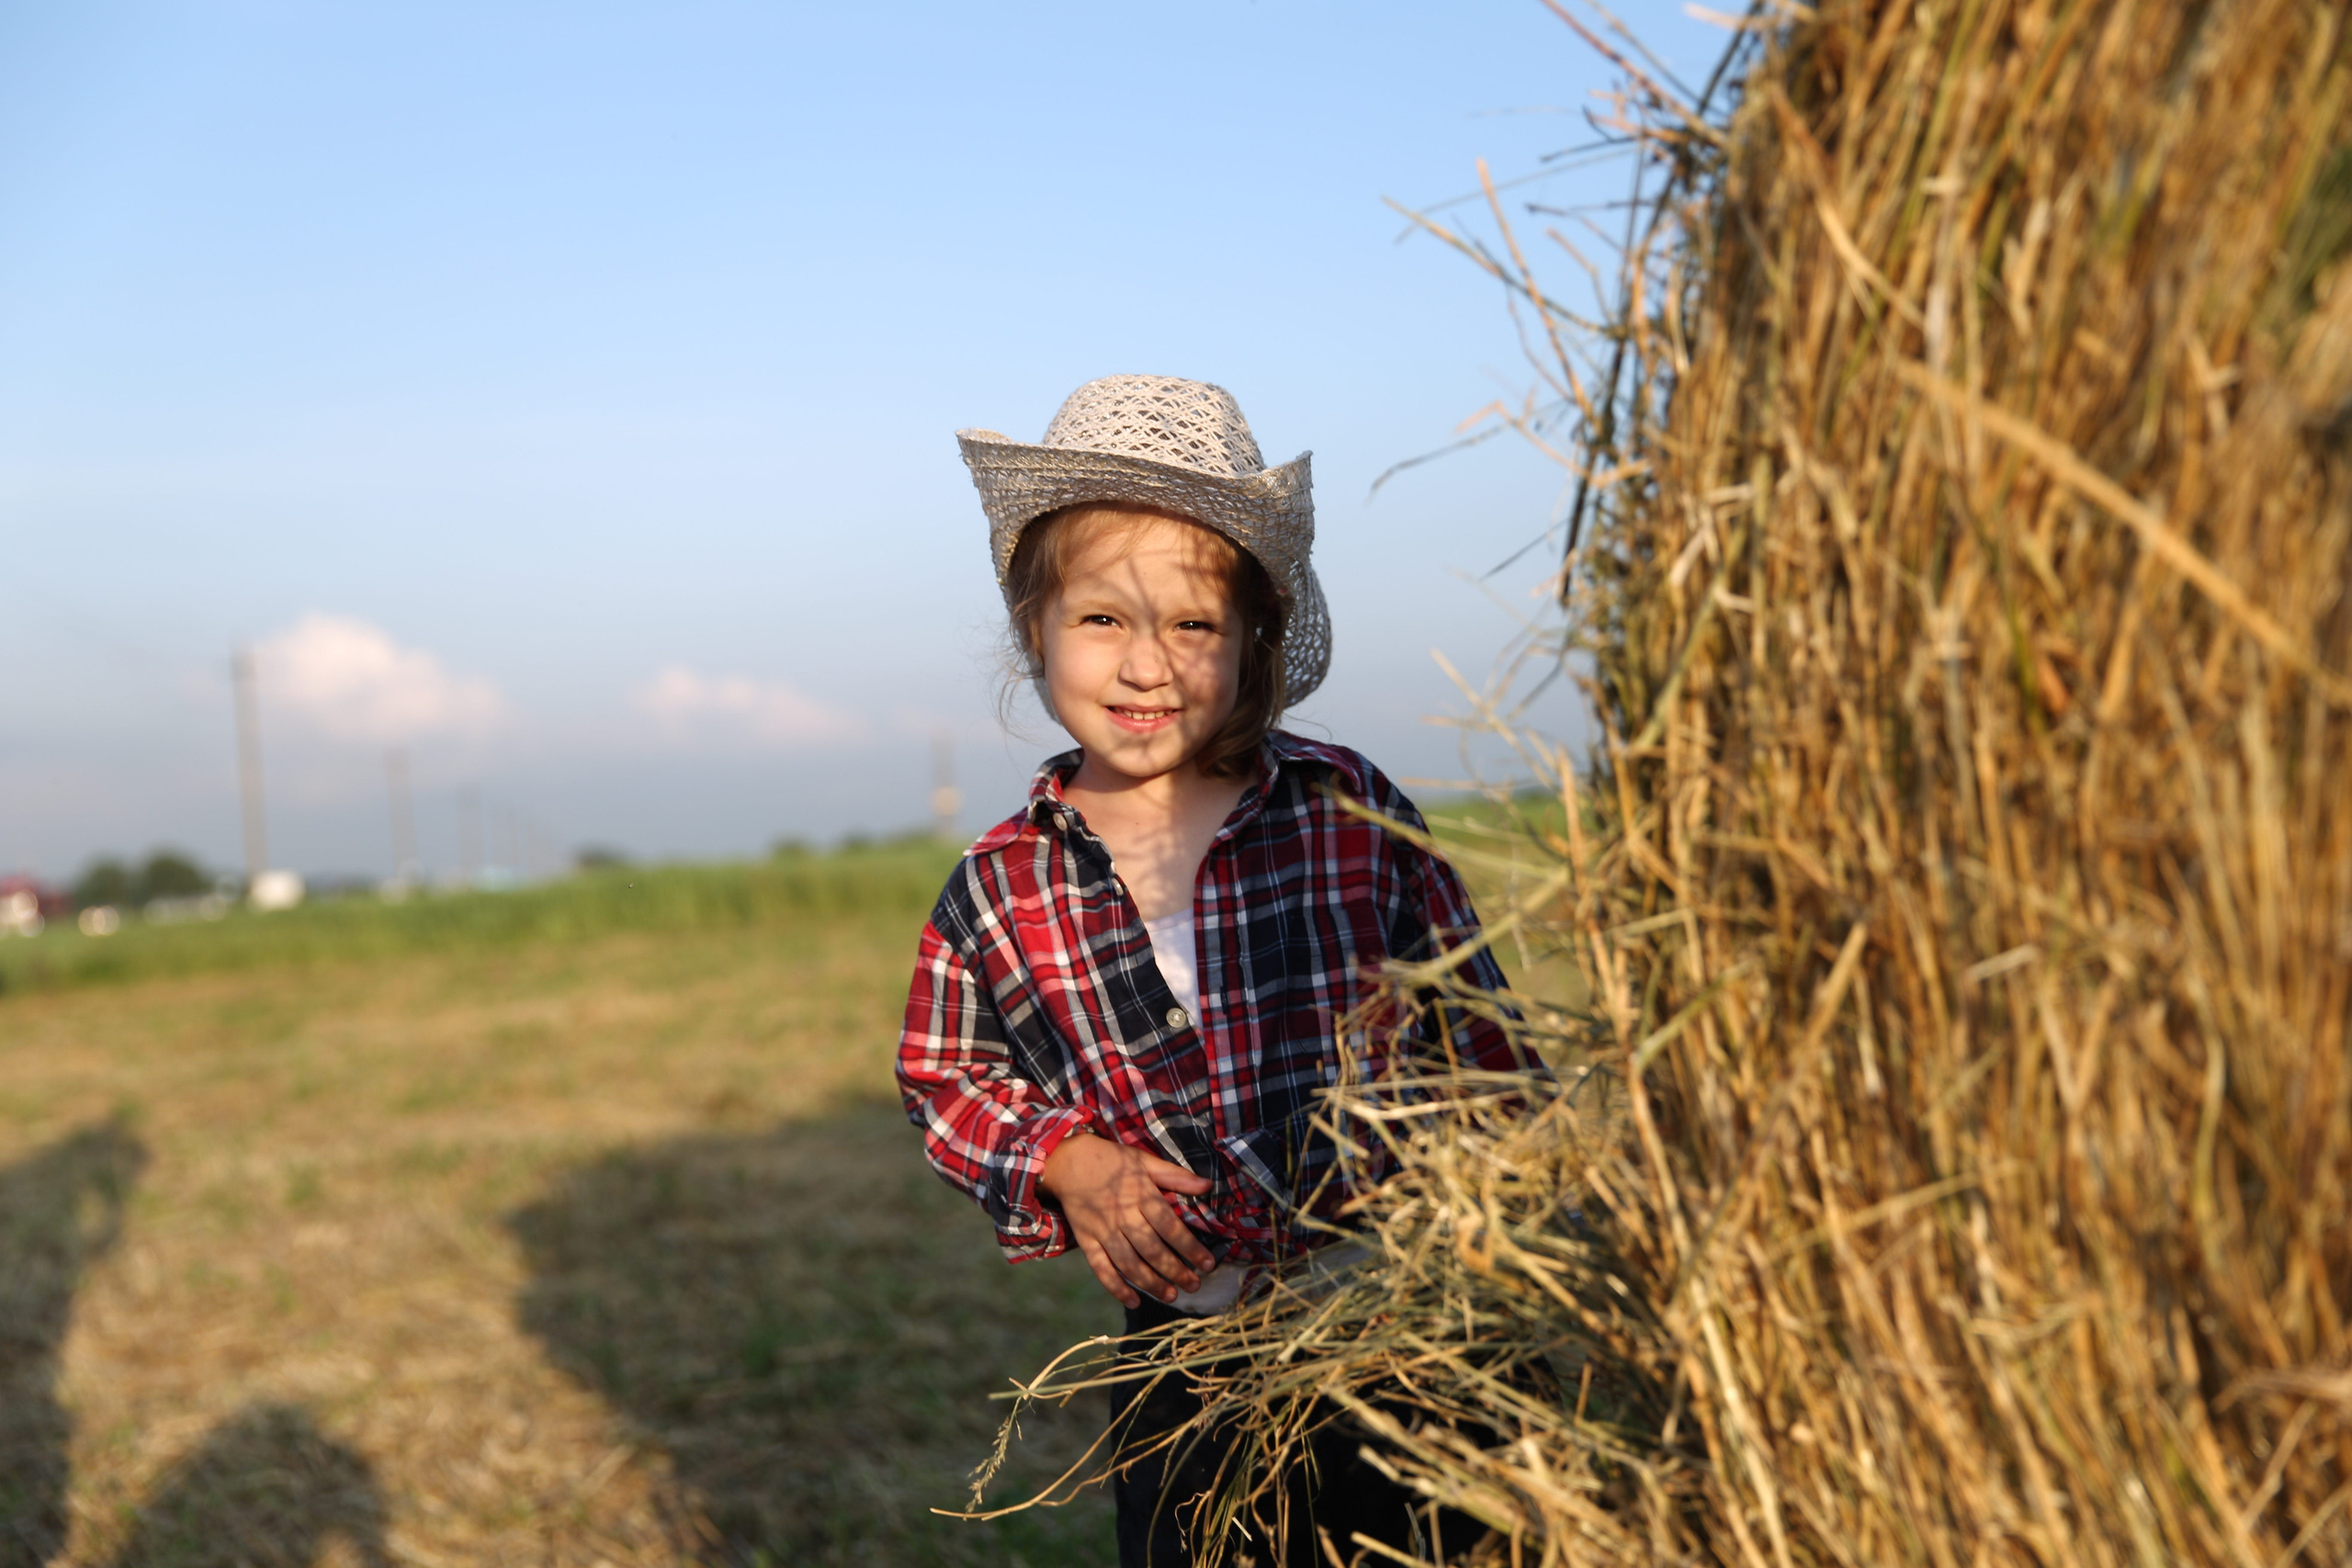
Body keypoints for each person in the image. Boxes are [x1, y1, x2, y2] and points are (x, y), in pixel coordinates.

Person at [896, 374, 1524, 1567]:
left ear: (1252, 645)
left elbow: (1474, 1024)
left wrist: (1511, 1212)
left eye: (1191, 625)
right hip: (1186, 1355)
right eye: (1102, 620)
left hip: (1399, 1318)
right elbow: (946, 1076)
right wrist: (1065, 1164)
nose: (1148, 667)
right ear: (1035, 625)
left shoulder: (1344, 811)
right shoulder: (1004, 882)